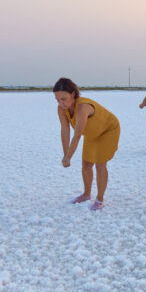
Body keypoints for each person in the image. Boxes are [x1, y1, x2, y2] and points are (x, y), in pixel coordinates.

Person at [54, 78, 120, 210]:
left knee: (100, 165)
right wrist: (65, 154)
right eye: (57, 99)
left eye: (64, 98)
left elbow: (77, 135)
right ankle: (86, 194)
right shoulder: (61, 109)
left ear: (73, 94)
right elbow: (65, 131)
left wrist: (68, 158)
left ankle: (100, 200)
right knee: (86, 164)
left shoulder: (83, 107)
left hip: (108, 130)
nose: (61, 103)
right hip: (92, 134)